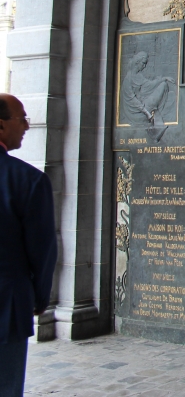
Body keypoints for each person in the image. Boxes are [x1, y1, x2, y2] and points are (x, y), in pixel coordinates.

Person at [0, 94, 57, 397]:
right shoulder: (29, 181)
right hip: (7, 305)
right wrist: (39, 297)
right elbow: (42, 251)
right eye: (21, 118)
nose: (26, 126)